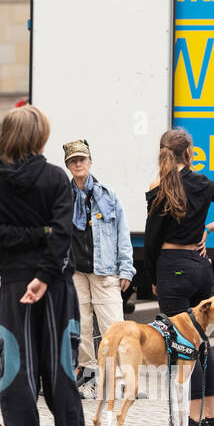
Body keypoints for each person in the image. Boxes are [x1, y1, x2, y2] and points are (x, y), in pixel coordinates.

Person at [0, 107, 88, 426]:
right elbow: (62, 233)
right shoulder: (56, 178)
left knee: (18, 368)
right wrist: (43, 269)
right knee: (61, 367)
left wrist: (27, 245)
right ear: (39, 136)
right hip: (55, 284)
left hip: (13, 282)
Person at [144, 128, 214, 426]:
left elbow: (152, 241)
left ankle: (193, 419)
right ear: (190, 152)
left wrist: (152, 278)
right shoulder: (204, 182)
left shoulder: (159, 187)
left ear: (163, 151)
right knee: (201, 342)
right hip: (200, 267)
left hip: (172, 268)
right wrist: (208, 230)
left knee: (181, 344)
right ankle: (210, 415)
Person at [62, 139, 135, 398]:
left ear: (90, 162)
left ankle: (118, 378)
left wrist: (126, 269)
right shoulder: (64, 196)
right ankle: (89, 375)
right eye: (73, 160)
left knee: (114, 325)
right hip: (75, 271)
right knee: (81, 327)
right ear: (68, 165)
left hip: (104, 269)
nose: (78, 164)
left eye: (82, 159)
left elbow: (122, 234)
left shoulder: (108, 195)